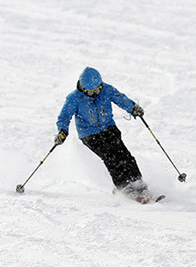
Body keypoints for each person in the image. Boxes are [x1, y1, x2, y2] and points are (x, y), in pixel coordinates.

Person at [54, 67, 150, 200]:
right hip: (89, 134)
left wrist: (133, 108)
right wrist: (62, 132)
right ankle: (123, 186)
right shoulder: (74, 98)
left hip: (109, 128)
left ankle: (138, 183)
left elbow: (121, 99)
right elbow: (64, 117)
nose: (95, 94)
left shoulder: (107, 90)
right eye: (91, 92)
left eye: (98, 90)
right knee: (111, 157)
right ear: (83, 88)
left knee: (124, 155)